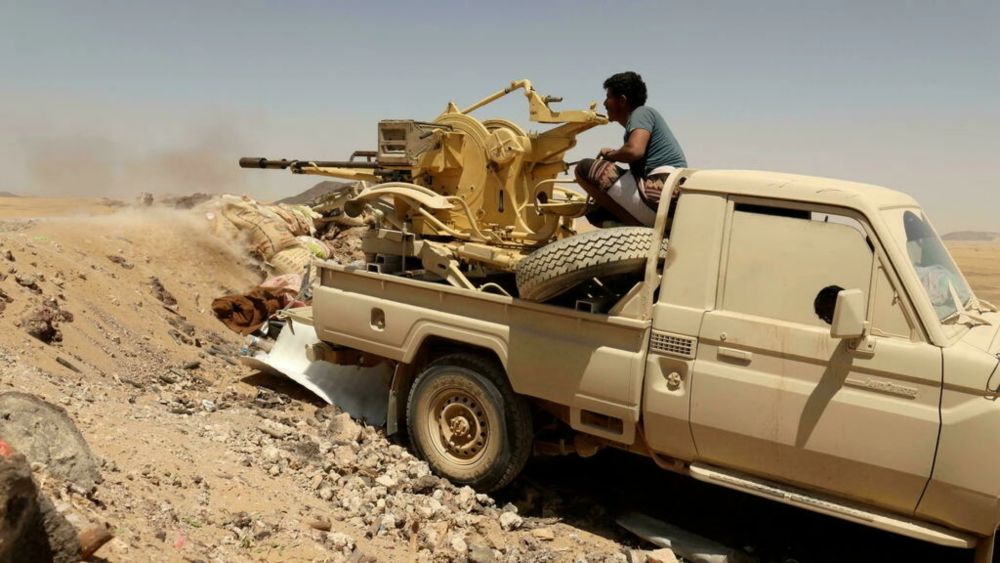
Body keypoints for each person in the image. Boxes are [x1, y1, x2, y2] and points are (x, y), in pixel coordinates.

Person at [575, 71, 687, 227]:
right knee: (595, 213)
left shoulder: (642, 112)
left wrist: (612, 155)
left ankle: (639, 229)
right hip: (666, 201)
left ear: (622, 100)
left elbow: (634, 151)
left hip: (659, 194)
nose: (605, 103)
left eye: (608, 97)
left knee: (584, 168)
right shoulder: (641, 119)